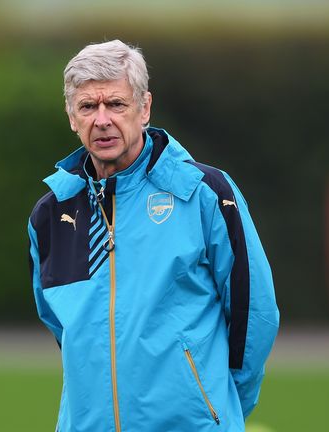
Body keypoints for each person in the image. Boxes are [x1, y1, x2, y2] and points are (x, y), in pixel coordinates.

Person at [28, 40, 279, 432]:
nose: (102, 119)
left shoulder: (203, 192)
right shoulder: (51, 214)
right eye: (88, 106)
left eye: (116, 104)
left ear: (144, 108)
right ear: (72, 117)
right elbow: (64, 328)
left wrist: (218, 407)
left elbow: (254, 314)